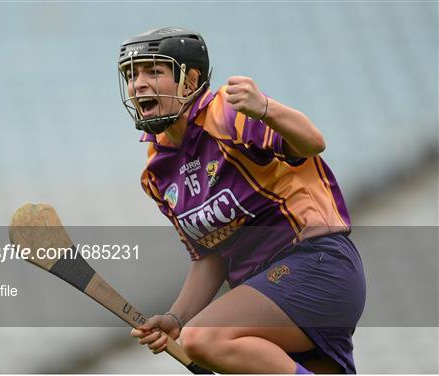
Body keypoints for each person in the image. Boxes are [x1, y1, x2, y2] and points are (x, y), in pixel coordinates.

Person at [117, 27, 366, 374]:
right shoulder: (157, 173)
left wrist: (264, 108)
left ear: (190, 82)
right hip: (266, 293)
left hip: (316, 265)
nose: (138, 83)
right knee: (198, 335)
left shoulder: (227, 114)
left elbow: (312, 142)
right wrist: (177, 317)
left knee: (204, 338)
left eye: (153, 71)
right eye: (131, 75)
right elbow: (209, 256)